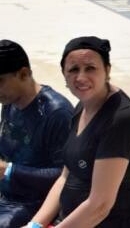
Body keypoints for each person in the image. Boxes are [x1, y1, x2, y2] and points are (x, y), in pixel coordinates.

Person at [27, 37, 130, 228]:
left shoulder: (120, 119)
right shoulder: (83, 106)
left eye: (90, 68)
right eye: (73, 69)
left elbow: (100, 206)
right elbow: (66, 176)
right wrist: (35, 225)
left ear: (107, 71)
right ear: (64, 74)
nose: (81, 77)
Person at [0, 40, 73, 228]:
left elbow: (67, 176)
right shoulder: (9, 101)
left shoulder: (57, 113)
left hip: (35, 202)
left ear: (24, 74)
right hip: (6, 193)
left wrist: (9, 171)